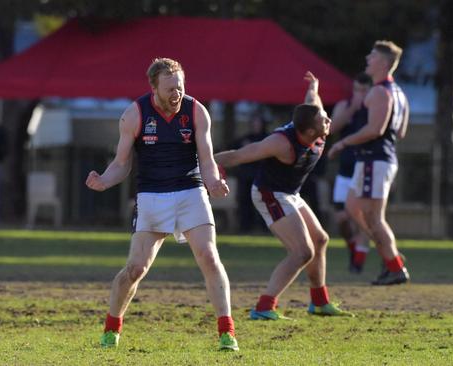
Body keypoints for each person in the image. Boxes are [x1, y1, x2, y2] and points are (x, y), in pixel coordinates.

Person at [86, 58, 238, 351]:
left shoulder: (196, 111)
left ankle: (226, 332)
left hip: (190, 191)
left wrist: (214, 182)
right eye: (170, 89)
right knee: (135, 269)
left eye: (180, 87)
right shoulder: (134, 114)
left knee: (208, 256)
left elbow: (207, 161)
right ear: (153, 87)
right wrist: (104, 180)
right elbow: (121, 164)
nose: (176, 94)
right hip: (152, 196)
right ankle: (111, 328)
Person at [215, 71, 353, 319]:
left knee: (320, 240)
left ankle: (319, 303)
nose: (329, 121)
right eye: (324, 121)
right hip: (270, 193)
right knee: (302, 252)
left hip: (289, 192)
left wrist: (314, 85)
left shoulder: (313, 121)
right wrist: (204, 165)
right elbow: (238, 156)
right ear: (310, 132)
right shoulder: (280, 143)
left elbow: (312, 98)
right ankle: (264, 308)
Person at [328, 40, 410, 285]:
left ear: (384, 63)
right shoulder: (399, 93)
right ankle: (390, 256)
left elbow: (375, 129)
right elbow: (401, 131)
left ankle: (394, 265)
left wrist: (343, 143)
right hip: (376, 159)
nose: (367, 59)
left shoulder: (379, 91)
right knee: (353, 208)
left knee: (373, 218)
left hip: (375, 159)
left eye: (372, 56)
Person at [329, 73, 373, 273]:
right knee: (342, 218)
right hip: (346, 171)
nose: (360, 94)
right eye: (357, 89)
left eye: (364, 90)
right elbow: (332, 128)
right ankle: (354, 248)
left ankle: (359, 261)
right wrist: (353, 108)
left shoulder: (375, 109)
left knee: (363, 217)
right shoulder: (344, 106)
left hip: (366, 169)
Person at [230, 114, 269, 232]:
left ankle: (264, 227)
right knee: (245, 202)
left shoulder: (267, 138)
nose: (256, 125)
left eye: (258, 123)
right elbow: (234, 150)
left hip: (261, 176)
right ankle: (245, 226)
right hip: (246, 176)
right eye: (254, 123)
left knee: (263, 202)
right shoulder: (245, 139)